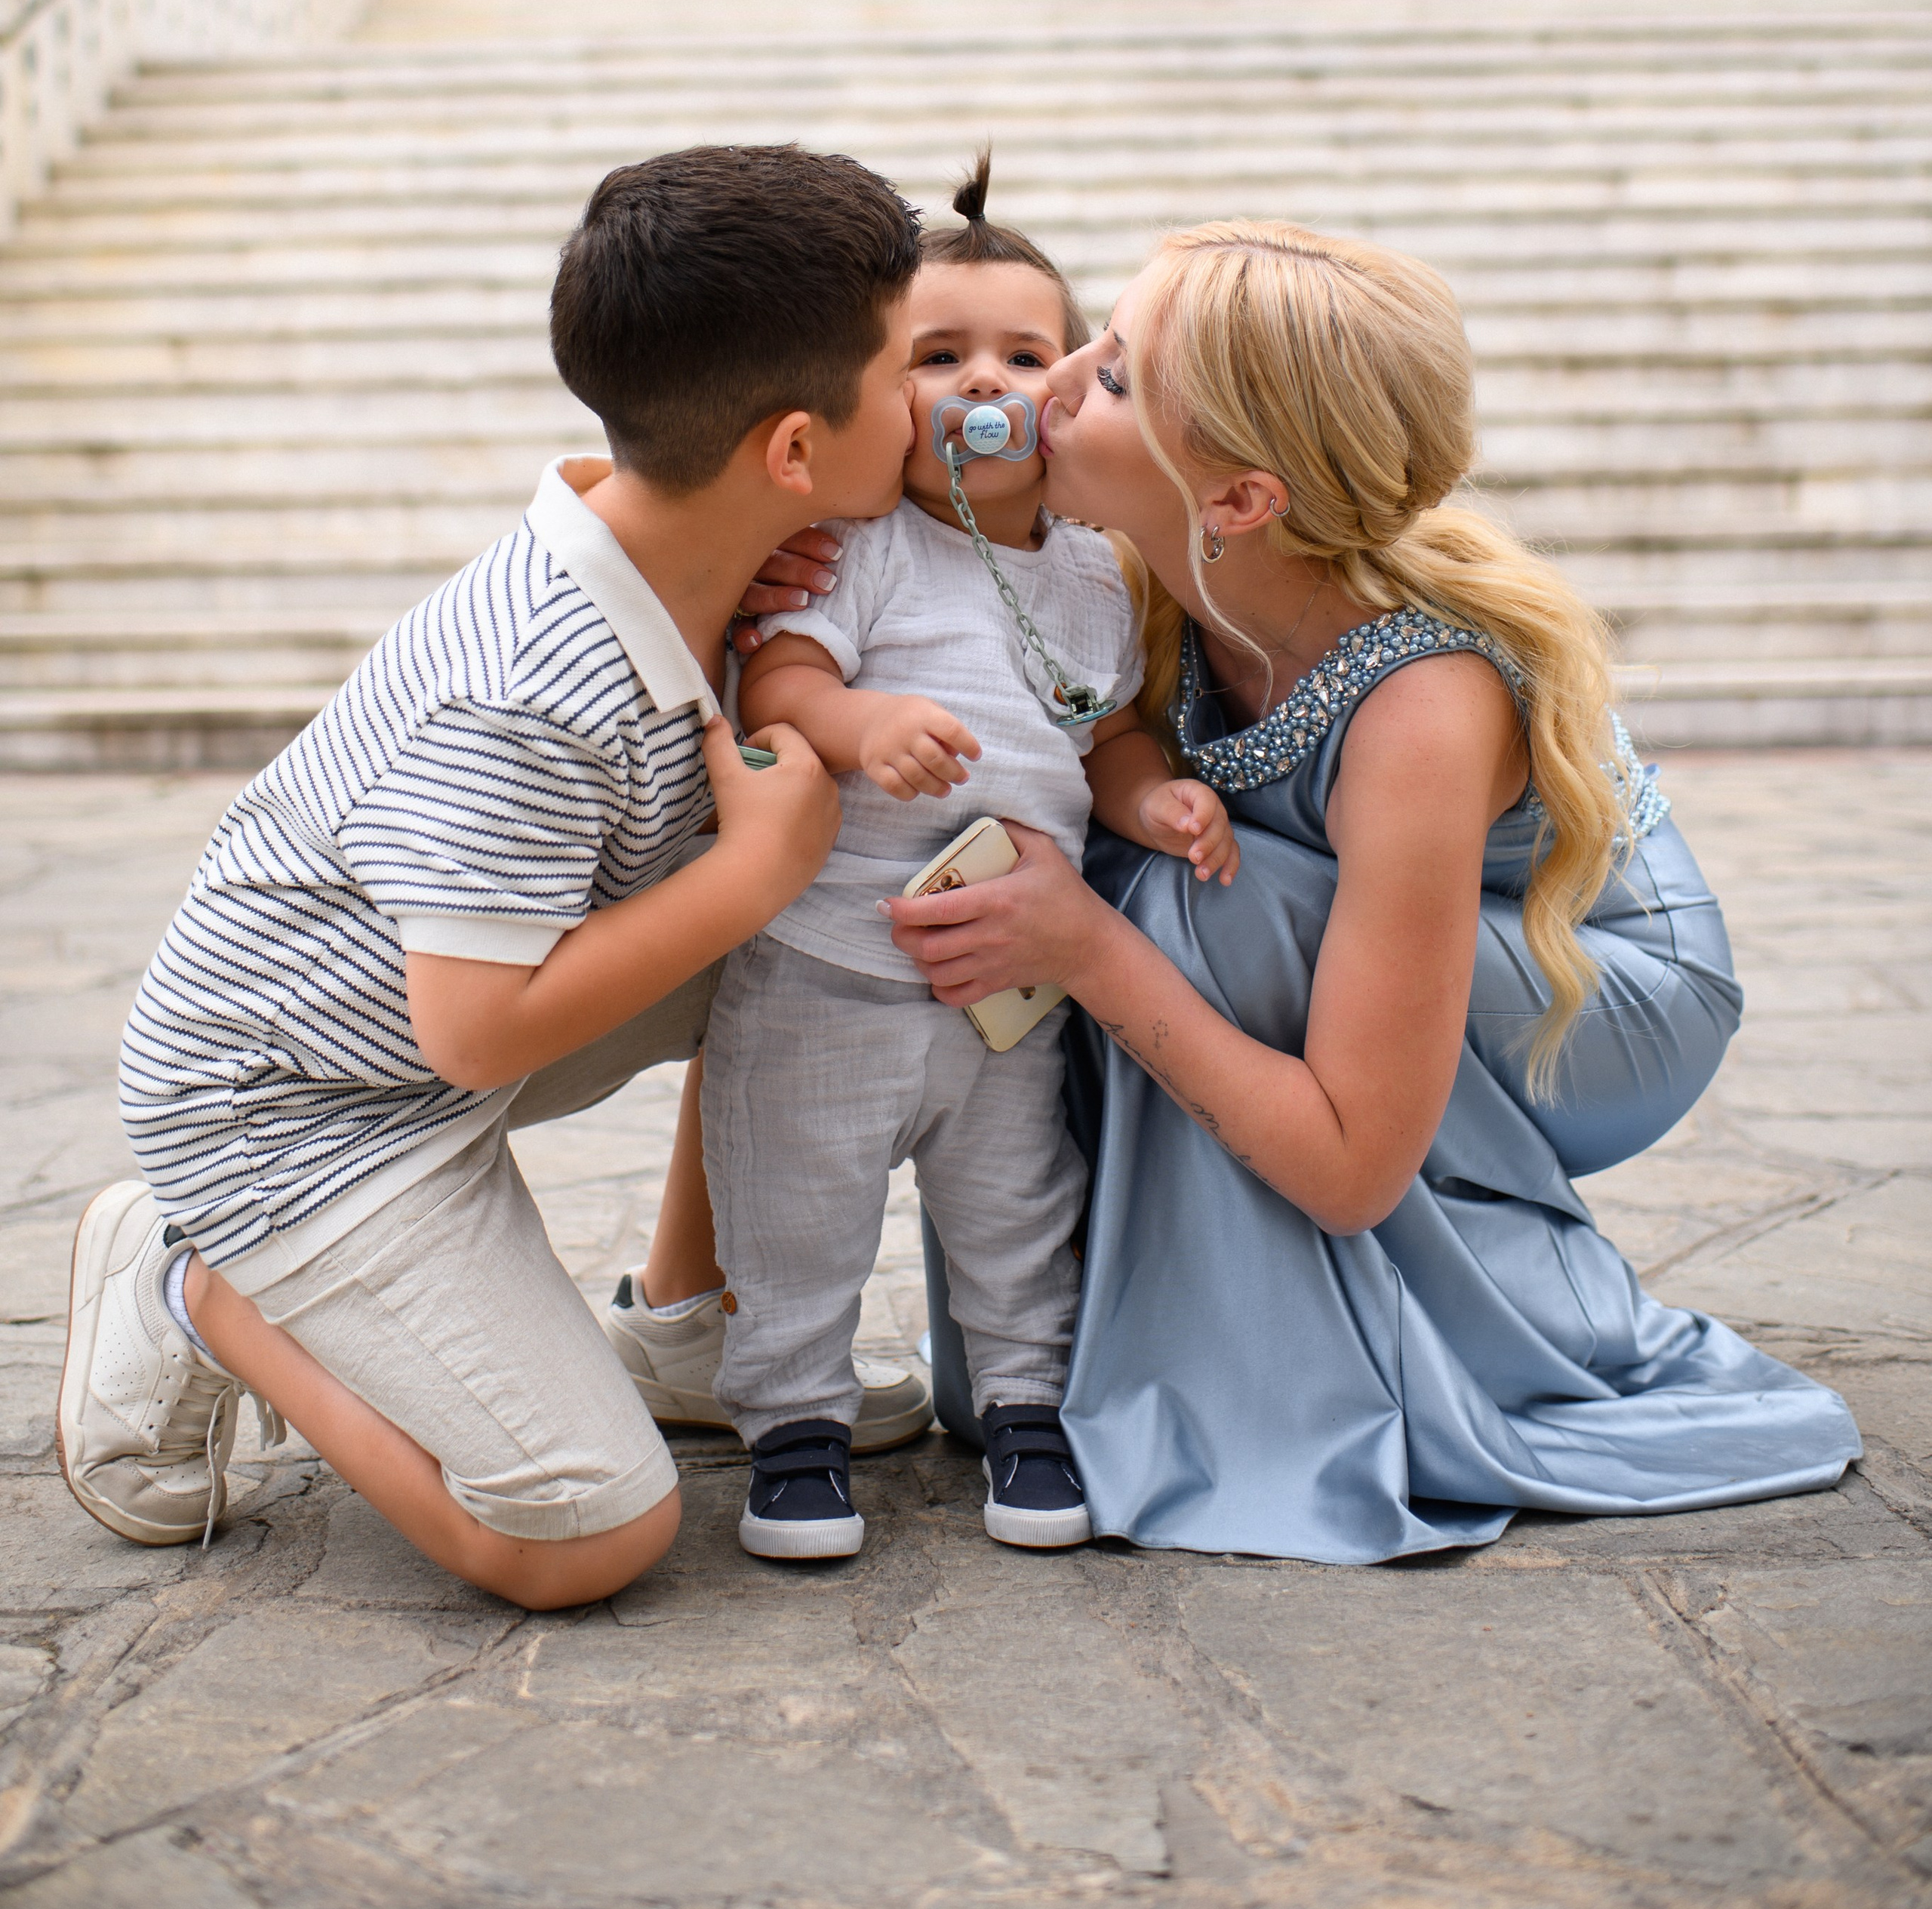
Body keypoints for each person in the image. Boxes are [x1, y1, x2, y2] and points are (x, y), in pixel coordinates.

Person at [878, 220, 1862, 1561]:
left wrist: (1089, 948)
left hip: (1602, 986)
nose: (1055, 380)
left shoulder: (1421, 704)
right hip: (1370, 919)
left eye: (1112, 377)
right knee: (1129, 849)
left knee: (1198, 898)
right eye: (1100, 339)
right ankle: (1084, 1326)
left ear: (1240, 502)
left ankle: (1268, 1375)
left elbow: (1349, 1172)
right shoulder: (1132, 567)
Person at [57, 146, 926, 1610]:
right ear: (789, 445)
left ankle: (688, 1315)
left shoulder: (708, 546)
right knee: (584, 1532)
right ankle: (191, 1285)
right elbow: (471, 1028)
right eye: (909, 369)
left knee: (821, 935)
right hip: (298, 1112)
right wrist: (751, 875)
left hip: (420, 1038)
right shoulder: (527, 690)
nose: (932, 402)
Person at [709, 162, 1238, 1560]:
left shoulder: (1093, 571)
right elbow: (781, 689)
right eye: (937, 357)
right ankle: (796, 1433)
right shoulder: (864, 546)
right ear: (881, 394)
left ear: (1065, 385)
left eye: (1020, 352)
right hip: (829, 964)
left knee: (1018, 1209)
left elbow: (1108, 729)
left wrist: (1152, 803)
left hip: (1004, 986)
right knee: (797, 1213)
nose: (983, 383)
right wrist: (858, 722)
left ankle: (1026, 1410)